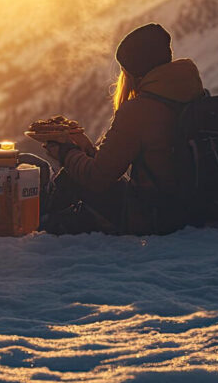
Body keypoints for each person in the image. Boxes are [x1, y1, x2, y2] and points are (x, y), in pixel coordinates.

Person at [41, 23, 204, 236]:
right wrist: (87, 149)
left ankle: (43, 228)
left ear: (132, 72)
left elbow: (98, 178)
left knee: (70, 177)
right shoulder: (194, 95)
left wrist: (65, 153)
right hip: (192, 209)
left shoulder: (138, 110)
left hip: (155, 216)